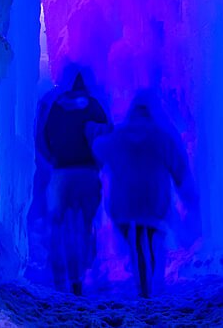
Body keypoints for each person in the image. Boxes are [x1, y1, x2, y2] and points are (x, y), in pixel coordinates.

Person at [93, 90, 196, 298]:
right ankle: (150, 279)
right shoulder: (161, 137)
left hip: (124, 200)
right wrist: (186, 192)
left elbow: (99, 150)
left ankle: (144, 283)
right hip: (154, 198)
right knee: (149, 237)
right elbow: (177, 165)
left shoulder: (119, 136)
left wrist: (98, 134)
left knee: (135, 240)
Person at [36, 71, 111, 294]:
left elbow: (43, 137)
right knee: (86, 224)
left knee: (58, 224)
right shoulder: (94, 105)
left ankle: (60, 275)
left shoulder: (57, 106)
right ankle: (84, 273)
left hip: (61, 173)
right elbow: (107, 134)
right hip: (88, 172)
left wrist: (53, 159)